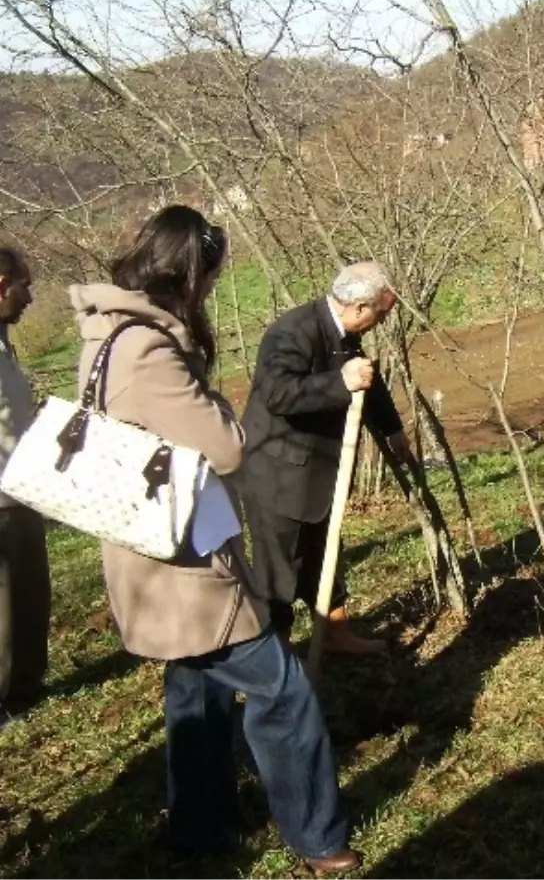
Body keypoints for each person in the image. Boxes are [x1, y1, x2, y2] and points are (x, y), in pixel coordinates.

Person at [69, 205, 358, 873]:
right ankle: (318, 836)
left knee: (195, 691)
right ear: (190, 273)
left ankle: (200, 827)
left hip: (149, 554)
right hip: (185, 567)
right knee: (282, 692)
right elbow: (226, 446)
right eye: (210, 280)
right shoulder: (147, 347)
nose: (210, 293)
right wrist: (219, 402)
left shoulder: (107, 332)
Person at [238, 261, 413, 656]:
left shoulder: (343, 334)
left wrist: (391, 428)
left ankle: (335, 636)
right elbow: (277, 393)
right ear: (360, 307)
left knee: (323, 557)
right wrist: (339, 383)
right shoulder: (293, 331)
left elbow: (367, 378)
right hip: (278, 474)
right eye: (382, 313)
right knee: (279, 571)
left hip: (315, 472)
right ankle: (275, 660)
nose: (381, 322)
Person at [0, 247, 51, 728]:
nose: (30, 297)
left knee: (30, 595)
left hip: (23, 487)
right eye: (23, 285)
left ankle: (25, 688)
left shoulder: (5, 342)